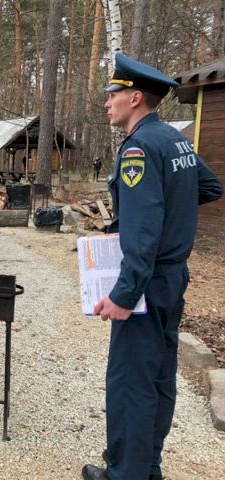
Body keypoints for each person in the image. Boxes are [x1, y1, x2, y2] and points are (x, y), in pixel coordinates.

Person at [82, 54, 223, 480]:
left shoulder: (139, 148)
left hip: (146, 281)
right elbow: (209, 186)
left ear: (135, 98)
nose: (107, 103)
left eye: (113, 94)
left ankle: (125, 473)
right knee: (160, 375)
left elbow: (142, 234)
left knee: (131, 380)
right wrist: (171, 210)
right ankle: (148, 466)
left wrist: (124, 295)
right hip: (172, 277)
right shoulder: (173, 140)